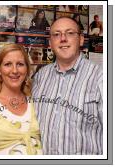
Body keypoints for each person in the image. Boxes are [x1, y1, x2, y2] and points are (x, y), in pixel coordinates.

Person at [32, 17, 103, 155]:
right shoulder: (40, 76)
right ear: (50, 43)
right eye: (57, 34)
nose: (63, 38)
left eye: (70, 33)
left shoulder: (101, 77)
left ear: (81, 39)